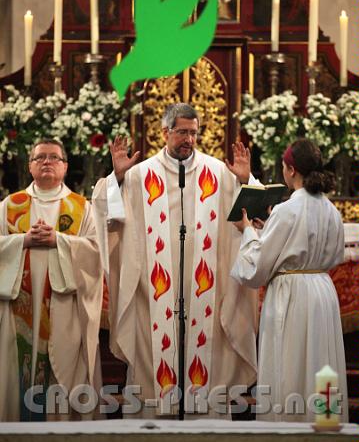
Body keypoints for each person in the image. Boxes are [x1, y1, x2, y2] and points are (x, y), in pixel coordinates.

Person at [92, 103, 259, 418]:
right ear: (165, 132)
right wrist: (116, 177)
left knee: (208, 357)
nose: (189, 140)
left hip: (207, 292)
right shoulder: (139, 174)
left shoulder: (220, 172)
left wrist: (245, 179)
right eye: (182, 132)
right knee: (153, 356)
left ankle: (206, 425)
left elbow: (258, 214)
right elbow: (103, 213)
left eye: (194, 133)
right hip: (153, 294)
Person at [231, 138, 348, 422]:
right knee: (321, 364)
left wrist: (248, 231)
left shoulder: (286, 211)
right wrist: (269, 228)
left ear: (291, 170)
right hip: (322, 292)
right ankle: (324, 425)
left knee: (290, 365)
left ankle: (288, 427)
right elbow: (333, 254)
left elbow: (257, 267)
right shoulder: (331, 209)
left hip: (292, 296)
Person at [0, 139, 103, 421]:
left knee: (59, 373)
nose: (47, 162)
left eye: (54, 158)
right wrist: (23, 240)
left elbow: (96, 254)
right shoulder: (10, 205)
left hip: (63, 307)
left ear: (65, 166)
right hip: (18, 309)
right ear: (30, 165)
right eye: (40, 157)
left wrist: (59, 240)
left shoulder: (82, 207)